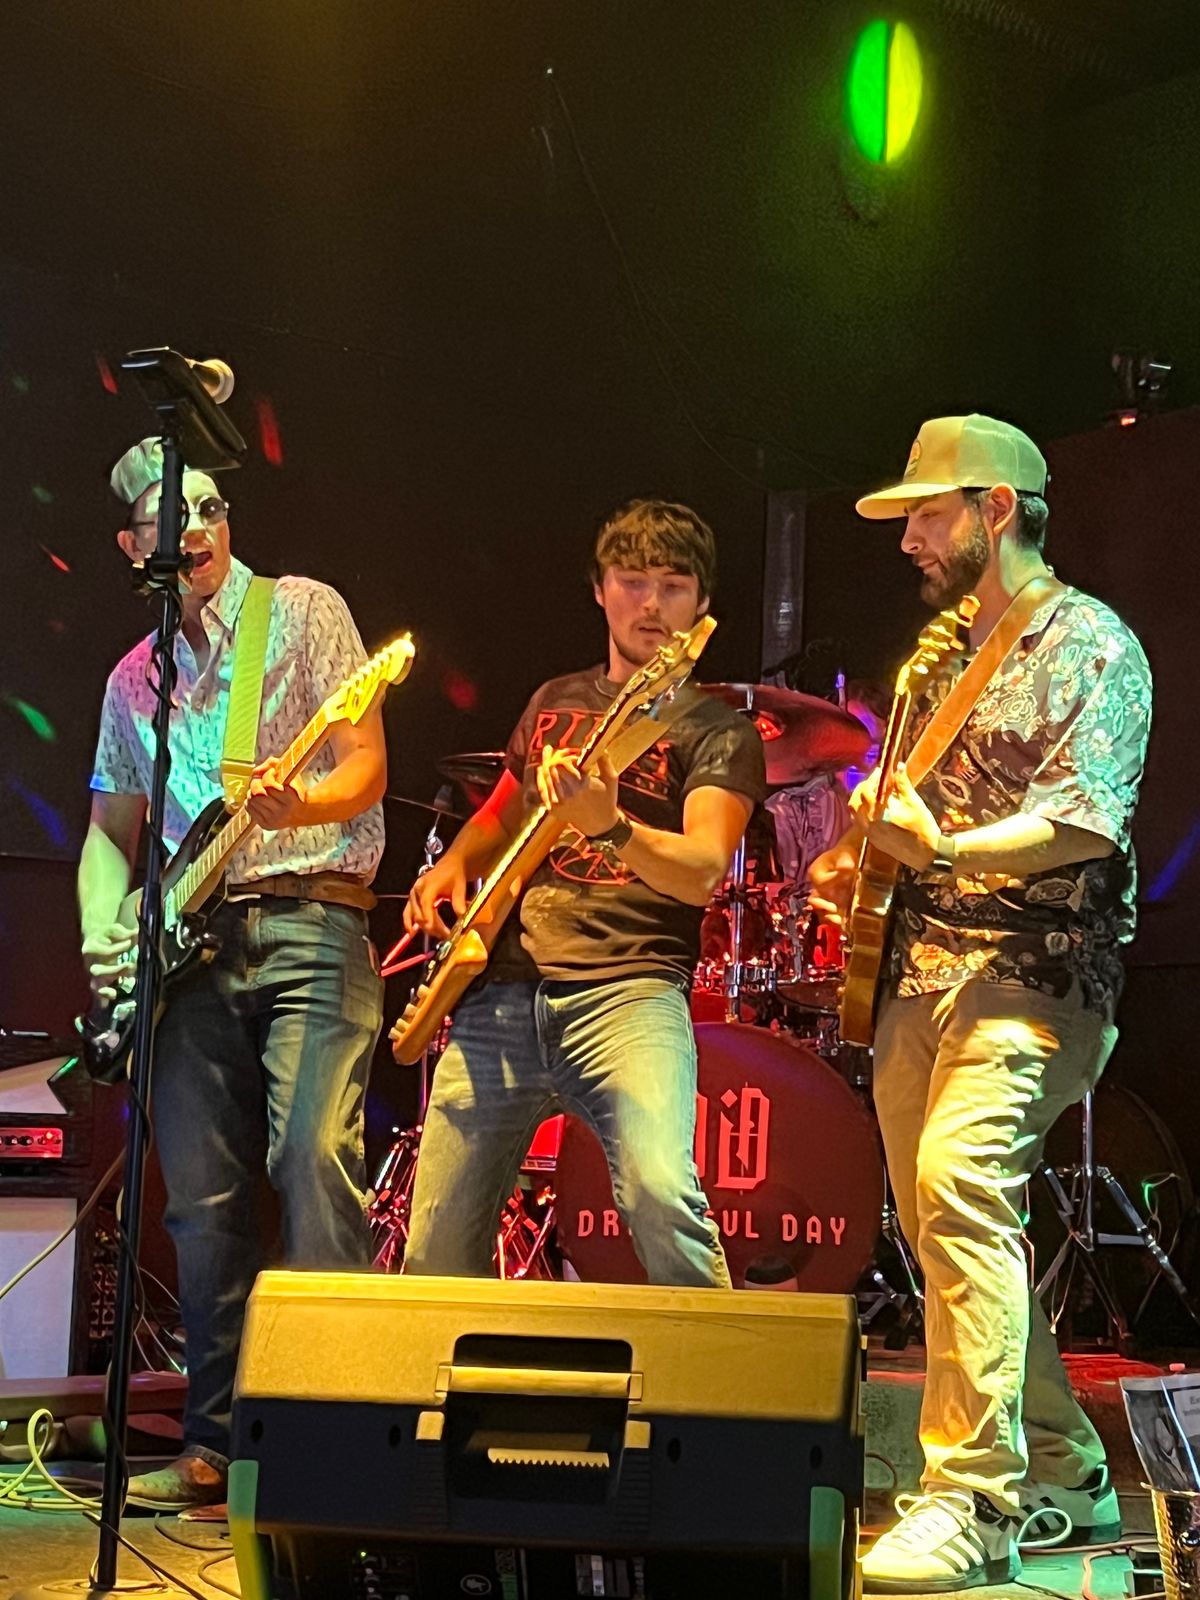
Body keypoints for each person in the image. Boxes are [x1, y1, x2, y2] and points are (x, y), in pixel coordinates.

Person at [809, 415, 1152, 1592]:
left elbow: (1083, 821)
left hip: (1037, 977)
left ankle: (974, 1498)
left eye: (926, 513)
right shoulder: (939, 661)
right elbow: (907, 817)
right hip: (916, 973)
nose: (908, 538)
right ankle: (1060, 1458)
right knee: (945, 1225)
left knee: (961, 1183)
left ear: (995, 510)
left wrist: (942, 848)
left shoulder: (1092, 643)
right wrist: (858, 861)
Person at [79, 438, 387, 1508]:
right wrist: (102, 929)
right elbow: (111, 831)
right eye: (174, 517)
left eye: (210, 507)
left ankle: (339, 1441)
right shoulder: (135, 679)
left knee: (311, 1157)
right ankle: (214, 1443)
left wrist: (300, 805)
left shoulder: (301, 611)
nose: (199, 528)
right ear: (136, 547)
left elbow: (364, 764)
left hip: (313, 918)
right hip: (191, 949)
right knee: (203, 1205)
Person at [400, 498, 765, 1285]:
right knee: (435, 1244)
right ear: (599, 590)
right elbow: (502, 816)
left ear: (702, 603)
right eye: (632, 581)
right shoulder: (552, 701)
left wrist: (612, 828)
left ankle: (720, 1363)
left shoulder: (717, 730)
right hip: (502, 994)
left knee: (662, 1198)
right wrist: (453, 863)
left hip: (629, 994)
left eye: (673, 586)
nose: (651, 604)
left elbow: (703, 869)